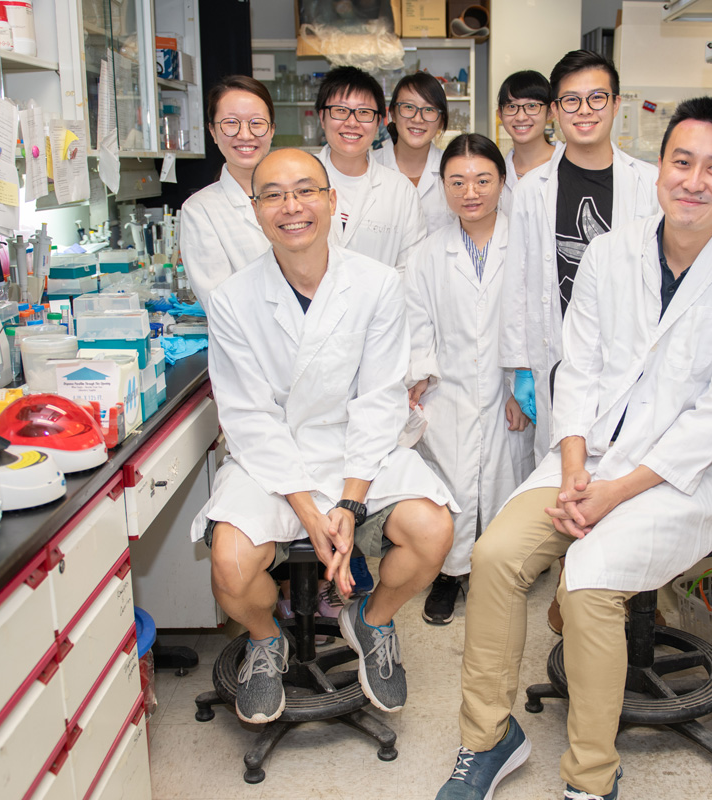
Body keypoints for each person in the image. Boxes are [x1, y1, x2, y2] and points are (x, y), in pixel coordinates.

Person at [434, 98, 712, 800]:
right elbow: (580, 370)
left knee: (589, 581)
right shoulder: (610, 253)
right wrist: (573, 472)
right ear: (659, 167)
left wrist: (609, 495)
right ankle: (488, 738)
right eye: (682, 162)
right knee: (496, 555)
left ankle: (591, 778)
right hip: (589, 458)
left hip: (685, 479)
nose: (694, 180)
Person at [192, 148, 456, 724]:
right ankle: (266, 639)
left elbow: (378, 399)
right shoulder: (234, 301)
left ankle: (373, 619)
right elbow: (249, 416)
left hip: (357, 451)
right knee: (231, 569)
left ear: (332, 201)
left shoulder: (378, 285)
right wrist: (313, 515)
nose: (292, 207)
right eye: (274, 195)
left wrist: (350, 502)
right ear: (255, 209)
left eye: (306, 190)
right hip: (275, 455)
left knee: (433, 529)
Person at [501, 50, 659, 467]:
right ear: (554, 110)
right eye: (571, 100)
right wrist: (520, 369)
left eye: (597, 98)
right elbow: (517, 281)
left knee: (623, 475)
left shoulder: (650, 184)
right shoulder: (532, 189)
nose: (584, 110)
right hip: (556, 357)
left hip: (631, 355)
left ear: (616, 104)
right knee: (561, 480)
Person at [405, 134, 535, 626]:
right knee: (451, 483)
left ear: (503, 182)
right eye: (456, 181)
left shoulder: (525, 246)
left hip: (508, 390)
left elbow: (535, 323)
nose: (470, 191)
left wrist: (522, 388)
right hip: (449, 389)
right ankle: (449, 574)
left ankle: (500, 575)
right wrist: (419, 375)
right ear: (442, 187)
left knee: (507, 482)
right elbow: (416, 323)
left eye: (483, 179)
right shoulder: (427, 253)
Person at [314, 66, 426, 274]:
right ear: (322, 117)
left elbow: (410, 270)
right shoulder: (297, 180)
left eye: (364, 113)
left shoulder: (400, 191)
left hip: (382, 307)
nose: (352, 122)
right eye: (340, 110)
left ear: (379, 122)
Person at [178, 76, 276, 311]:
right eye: (231, 123)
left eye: (257, 123)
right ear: (212, 131)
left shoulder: (303, 196)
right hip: (245, 344)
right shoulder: (200, 210)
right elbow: (219, 303)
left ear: (272, 129)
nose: (245, 134)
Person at [373, 72, 453, 235]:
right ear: (392, 114)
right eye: (409, 107)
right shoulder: (369, 166)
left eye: (429, 109)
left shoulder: (454, 169)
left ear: (441, 121)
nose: (418, 119)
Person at [495, 70, 556, 211]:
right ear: (500, 113)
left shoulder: (566, 165)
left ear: (550, 112)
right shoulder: (497, 173)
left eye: (532, 106)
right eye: (511, 107)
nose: (521, 117)